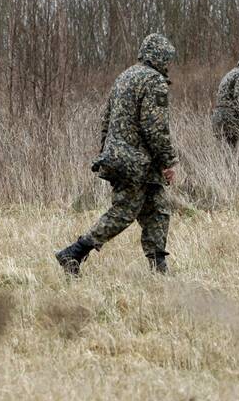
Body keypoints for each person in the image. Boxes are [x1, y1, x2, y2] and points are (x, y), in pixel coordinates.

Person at [55, 33, 178, 276]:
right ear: (159, 56)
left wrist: (106, 152)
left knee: (157, 210)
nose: (168, 64)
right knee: (124, 212)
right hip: (138, 162)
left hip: (121, 157)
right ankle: (74, 252)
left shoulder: (124, 77)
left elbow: (106, 120)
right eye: (167, 59)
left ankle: (159, 268)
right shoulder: (154, 81)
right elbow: (155, 127)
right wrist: (168, 161)